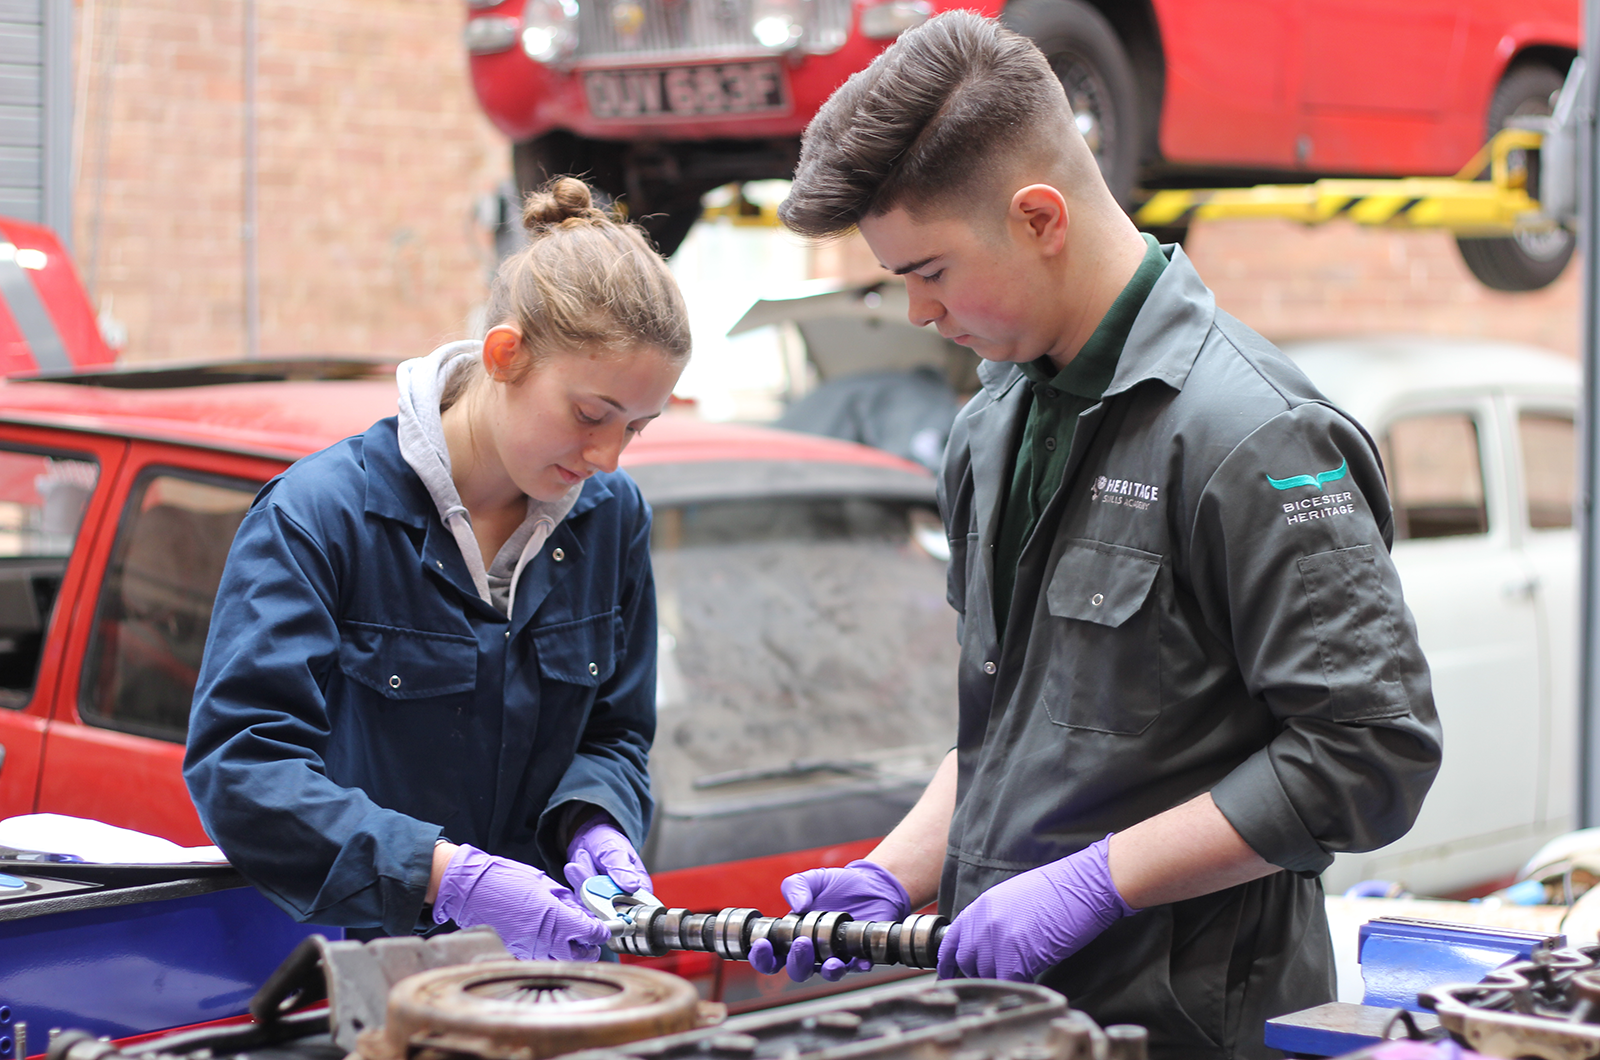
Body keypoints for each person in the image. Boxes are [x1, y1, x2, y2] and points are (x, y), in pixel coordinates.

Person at [748, 13, 1442, 1058]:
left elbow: (1369, 754)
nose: (917, 316)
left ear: (1038, 216)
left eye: (928, 271)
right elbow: (1017, 727)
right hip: (1015, 1025)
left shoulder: (1248, 433)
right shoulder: (991, 426)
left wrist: (1095, 882)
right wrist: (897, 869)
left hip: (1186, 1030)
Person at [184, 178, 689, 960]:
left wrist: (595, 822)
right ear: (505, 355)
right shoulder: (321, 516)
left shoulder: (611, 519)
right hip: (359, 976)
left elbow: (615, 732)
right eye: (591, 415)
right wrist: (447, 876)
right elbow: (244, 764)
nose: (607, 457)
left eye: (637, 428)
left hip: (545, 973)